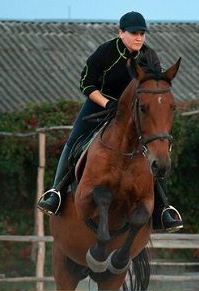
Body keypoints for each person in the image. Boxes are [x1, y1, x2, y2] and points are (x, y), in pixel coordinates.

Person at [37, 11, 183, 232]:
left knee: (156, 148)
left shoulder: (149, 56)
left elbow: (154, 86)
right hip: (101, 104)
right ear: (121, 32)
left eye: (142, 33)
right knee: (74, 139)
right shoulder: (105, 52)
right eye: (134, 33)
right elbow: (86, 84)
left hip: (133, 111)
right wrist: (106, 104)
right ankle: (56, 192)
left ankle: (163, 208)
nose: (139, 38)